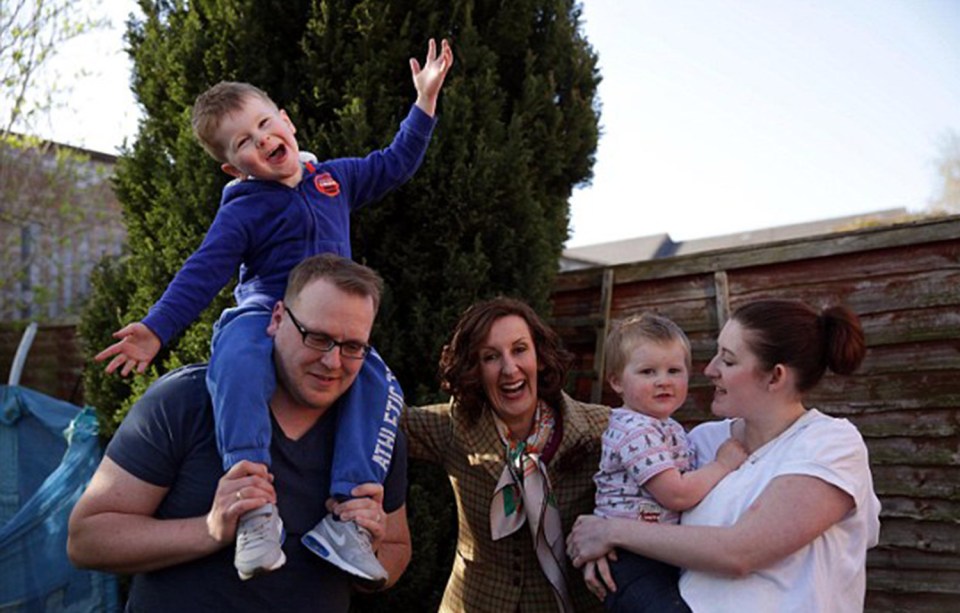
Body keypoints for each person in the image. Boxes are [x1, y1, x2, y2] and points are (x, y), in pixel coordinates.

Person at [93, 39, 453, 583]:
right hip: (263, 315)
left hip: (330, 324)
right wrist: (155, 329)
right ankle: (254, 502)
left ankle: (347, 520)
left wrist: (424, 103)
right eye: (244, 142)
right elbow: (204, 270)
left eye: (265, 124)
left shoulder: (334, 180)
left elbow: (396, 162)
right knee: (235, 358)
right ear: (232, 167)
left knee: (378, 384)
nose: (263, 140)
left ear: (285, 120)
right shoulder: (245, 209)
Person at [68, 254, 410, 612]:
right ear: (277, 318)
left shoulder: (375, 435)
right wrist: (210, 530)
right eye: (317, 337)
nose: (332, 361)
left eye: (352, 347)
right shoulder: (185, 401)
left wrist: (371, 546)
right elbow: (86, 539)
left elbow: (397, 552)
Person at [567, 299, 882, 613]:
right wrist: (602, 546)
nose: (709, 370)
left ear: (775, 377)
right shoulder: (703, 441)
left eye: (728, 361)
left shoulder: (829, 444)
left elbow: (740, 553)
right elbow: (644, 507)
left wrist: (612, 532)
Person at [401, 297, 610, 612]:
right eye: (490, 357)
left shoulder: (603, 427)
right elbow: (381, 423)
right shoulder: (452, 427)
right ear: (475, 368)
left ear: (539, 355)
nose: (509, 369)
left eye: (520, 349)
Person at [592, 313, 746, 612]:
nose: (663, 381)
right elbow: (676, 494)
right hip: (629, 559)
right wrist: (723, 464)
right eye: (648, 372)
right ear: (616, 381)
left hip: (657, 553)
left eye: (674, 370)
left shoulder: (666, 426)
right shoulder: (635, 430)